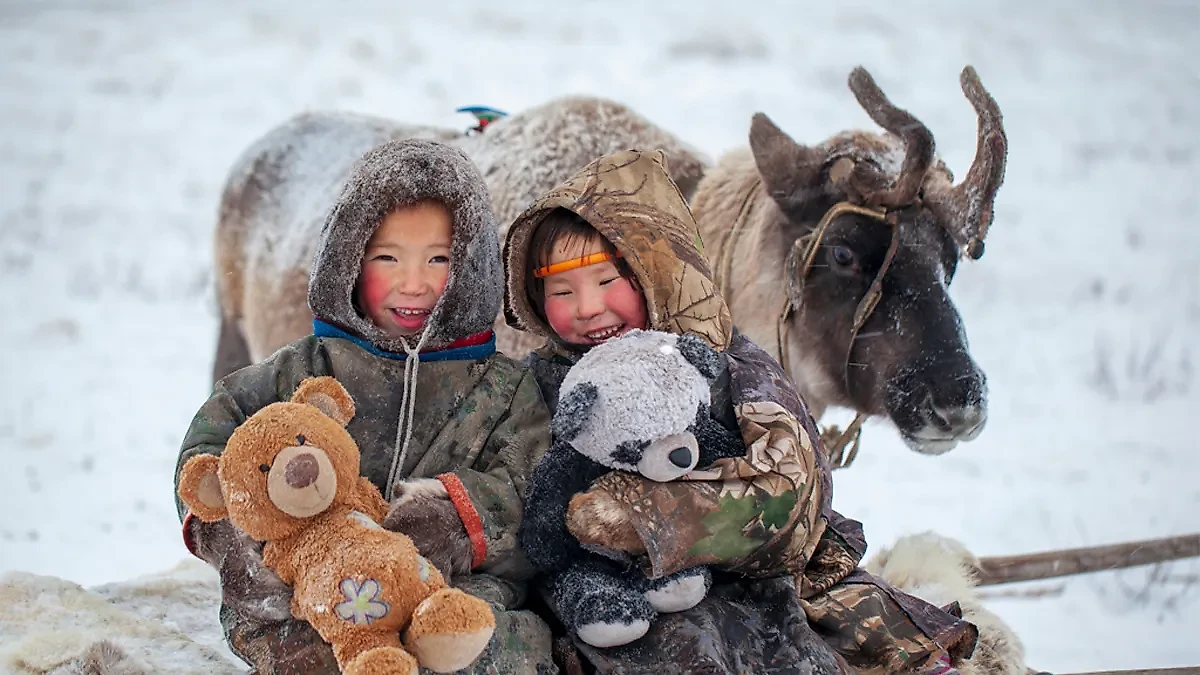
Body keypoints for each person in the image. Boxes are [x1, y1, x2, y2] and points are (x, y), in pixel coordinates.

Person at [502, 148, 978, 675]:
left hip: (757, 583)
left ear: (654, 272)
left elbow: (792, 484)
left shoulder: (727, 363)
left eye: (609, 281)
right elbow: (518, 486)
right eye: (561, 290)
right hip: (607, 600)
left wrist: (654, 517)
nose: (589, 308)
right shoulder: (543, 382)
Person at [174, 138, 556, 675]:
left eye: (439, 259)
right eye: (387, 257)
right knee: (304, 648)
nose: (414, 282)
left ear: (472, 265)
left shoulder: (504, 389)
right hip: (312, 589)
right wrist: (230, 535)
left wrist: (458, 517)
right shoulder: (303, 369)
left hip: (450, 589)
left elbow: (533, 481)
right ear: (349, 259)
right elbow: (213, 439)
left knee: (482, 642)